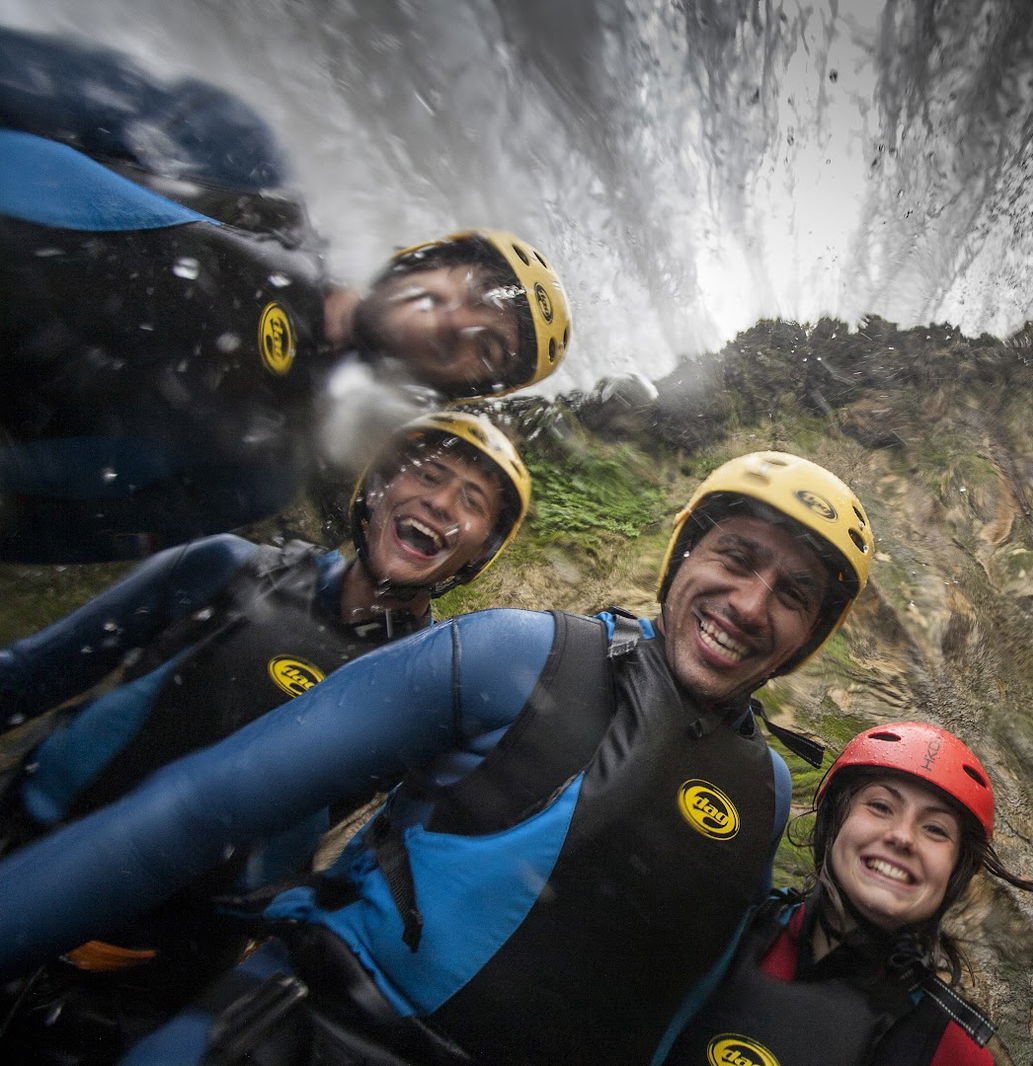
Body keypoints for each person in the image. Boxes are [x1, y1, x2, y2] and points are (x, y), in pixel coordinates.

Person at [0, 451, 876, 1066]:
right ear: (686, 555)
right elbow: (198, 809)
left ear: (808, 638)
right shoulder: (513, 654)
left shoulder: (764, 792)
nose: (751, 603)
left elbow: (676, 1011)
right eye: (735, 556)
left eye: (794, 595)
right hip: (291, 1038)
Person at [0, 411, 531, 1064]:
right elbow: (27, 676)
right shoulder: (224, 568)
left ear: (479, 552)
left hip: (156, 978)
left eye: (472, 501)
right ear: (376, 489)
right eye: (428, 474)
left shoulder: (441, 690)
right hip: (18, 855)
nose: (441, 501)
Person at [0, 25, 571, 563]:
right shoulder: (236, 156)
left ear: (458, 386)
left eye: (489, 348)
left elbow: (33, 529)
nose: (462, 321)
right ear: (433, 257)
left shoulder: (260, 476)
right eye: (476, 288)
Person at [666, 722, 1033, 1066]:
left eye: (935, 830)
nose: (901, 837)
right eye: (880, 806)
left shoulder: (951, 1053)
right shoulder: (720, 934)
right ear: (832, 824)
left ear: (956, 874)